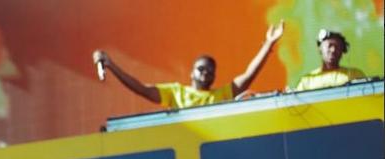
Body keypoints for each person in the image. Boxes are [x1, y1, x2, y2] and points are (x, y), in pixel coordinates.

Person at [93, 21, 285, 109]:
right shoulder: (176, 93)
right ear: (191, 73)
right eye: (201, 69)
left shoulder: (222, 95)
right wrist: (111, 65)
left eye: (211, 71)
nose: (206, 73)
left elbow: (249, 74)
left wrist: (268, 44)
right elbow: (141, 89)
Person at [293, 29, 366, 91]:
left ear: (343, 51)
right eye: (329, 45)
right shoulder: (307, 80)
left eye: (337, 47)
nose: (333, 50)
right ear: (320, 49)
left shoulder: (355, 75)